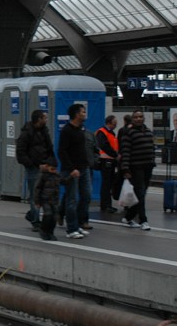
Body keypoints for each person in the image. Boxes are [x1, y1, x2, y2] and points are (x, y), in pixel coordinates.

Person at [15, 109, 54, 231]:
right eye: (45, 118)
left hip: (45, 166)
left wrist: (51, 163)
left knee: (43, 194)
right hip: (33, 168)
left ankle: (31, 215)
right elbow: (20, 152)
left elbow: (49, 148)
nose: (47, 120)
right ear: (39, 119)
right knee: (35, 195)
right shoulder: (27, 133)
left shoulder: (44, 131)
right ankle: (36, 222)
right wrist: (32, 165)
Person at [57, 103, 90, 239]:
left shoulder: (80, 129)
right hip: (72, 170)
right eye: (83, 112)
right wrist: (71, 169)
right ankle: (71, 229)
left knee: (86, 195)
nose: (84, 114)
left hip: (84, 168)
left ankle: (78, 224)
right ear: (76, 114)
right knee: (72, 199)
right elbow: (62, 151)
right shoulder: (67, 130)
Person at [119, 110, 154, 231]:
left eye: (141, 117)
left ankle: (128, 217)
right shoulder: (128, 133)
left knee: (141, 194)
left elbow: (151, 148)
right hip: (135, 167)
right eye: (136, 117)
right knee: (140, 193)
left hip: (147, 166)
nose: (139, 119)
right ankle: (143, 220)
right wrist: (126, 169)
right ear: (132, 119)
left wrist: (152, 161)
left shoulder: (148, 131)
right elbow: (125, 152)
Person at [32, 157, 62, 241]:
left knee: (55, 216)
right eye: (52, 169)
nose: (54, 170)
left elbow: (63, 181)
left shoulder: (56, 175)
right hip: (45, 199)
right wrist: (37, 201)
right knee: (48, 214)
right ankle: (43, 230)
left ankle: (50, 232)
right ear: (47, 166)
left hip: (54, 200)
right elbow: (37, 188)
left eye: (55, 169)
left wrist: (71, 177)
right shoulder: (43, 175)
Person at [95, 115, 119, 214]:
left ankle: (107, 205)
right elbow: (104, 146)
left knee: (109, 183)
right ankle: (105, 205)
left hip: (110, 160)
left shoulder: (110, 132)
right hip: (105, 161)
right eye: (114, 124)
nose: (115, 126)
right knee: (106, 184)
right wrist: (115, 155)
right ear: (109, 123)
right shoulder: (102, 132)